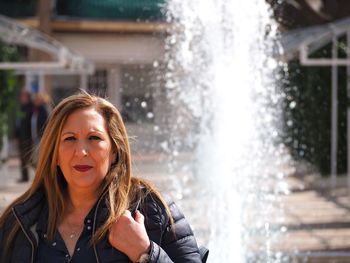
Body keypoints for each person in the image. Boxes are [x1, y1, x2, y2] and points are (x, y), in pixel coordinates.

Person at [0, 92, 204, 262]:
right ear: (55, 154)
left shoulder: (153, 210)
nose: (81, 151)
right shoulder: (20, 222)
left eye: (94, 138)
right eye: (70, 139)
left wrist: (145, 253)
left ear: (114, 150)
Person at [15, 89, 33, 182]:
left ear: (28, 97)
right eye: (21, 96)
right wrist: (16, 135)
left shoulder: (31, 108)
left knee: (29, 158)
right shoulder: (21, 108)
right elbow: (18, 123)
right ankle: (24, 177)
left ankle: (40, 177)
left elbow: (30, 124)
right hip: (21, 137)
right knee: (22, 158)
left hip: (28, 137)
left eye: (23, 96)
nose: (22, 98)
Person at [31, 92, 51, 165]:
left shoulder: (44, 109)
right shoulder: (37, 110)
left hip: (42, 139)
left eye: (37, 99)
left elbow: (47, 124)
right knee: (37, 161)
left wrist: (43, 137)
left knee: (42, 161)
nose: (35, 101)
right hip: (37, 139)